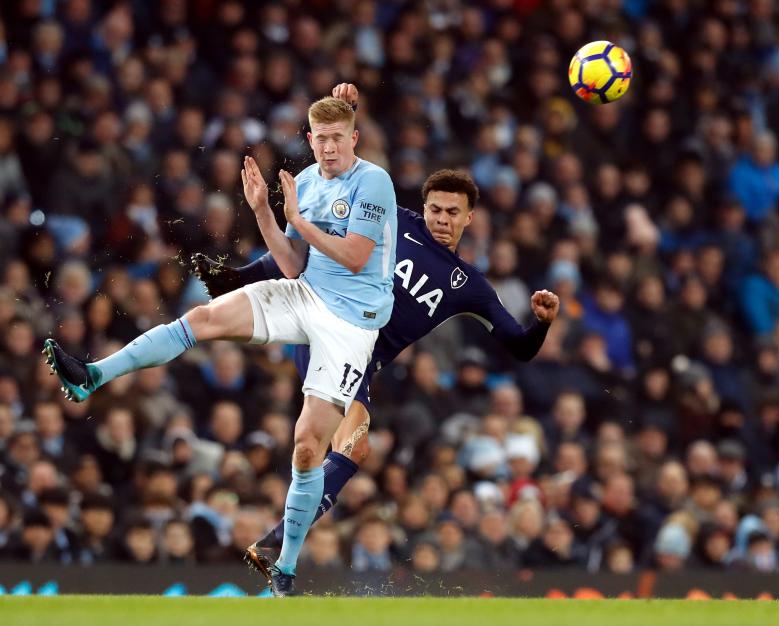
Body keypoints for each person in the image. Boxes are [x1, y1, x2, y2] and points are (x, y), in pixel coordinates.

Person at [200, 84, 559, 584]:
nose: (442, 219)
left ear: (470, 218)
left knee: (342, 449)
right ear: (424, 207)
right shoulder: (395, 219)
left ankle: (278, 543)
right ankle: (280, 541)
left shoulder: (470, 287)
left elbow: (518, 348)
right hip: (330, 329)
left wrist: (540, 324)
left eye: (453, 213)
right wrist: (349, 108)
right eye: (435, 208)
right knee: (346, 445)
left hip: (360, 361)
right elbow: (342, 186)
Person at [43, 92, 397, 596]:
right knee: (204, 317)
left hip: (351, 323)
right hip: (307, 293)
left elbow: (358, 257)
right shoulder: (310, 184)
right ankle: (92, 375)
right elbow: (294, 266)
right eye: (320, 139)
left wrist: (296, 220)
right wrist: (264, 215)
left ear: (354, 139)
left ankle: (286, 568)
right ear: (310, 139)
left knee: (306, 446)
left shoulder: (373, 181)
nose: (328, 148)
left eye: (338, 138)